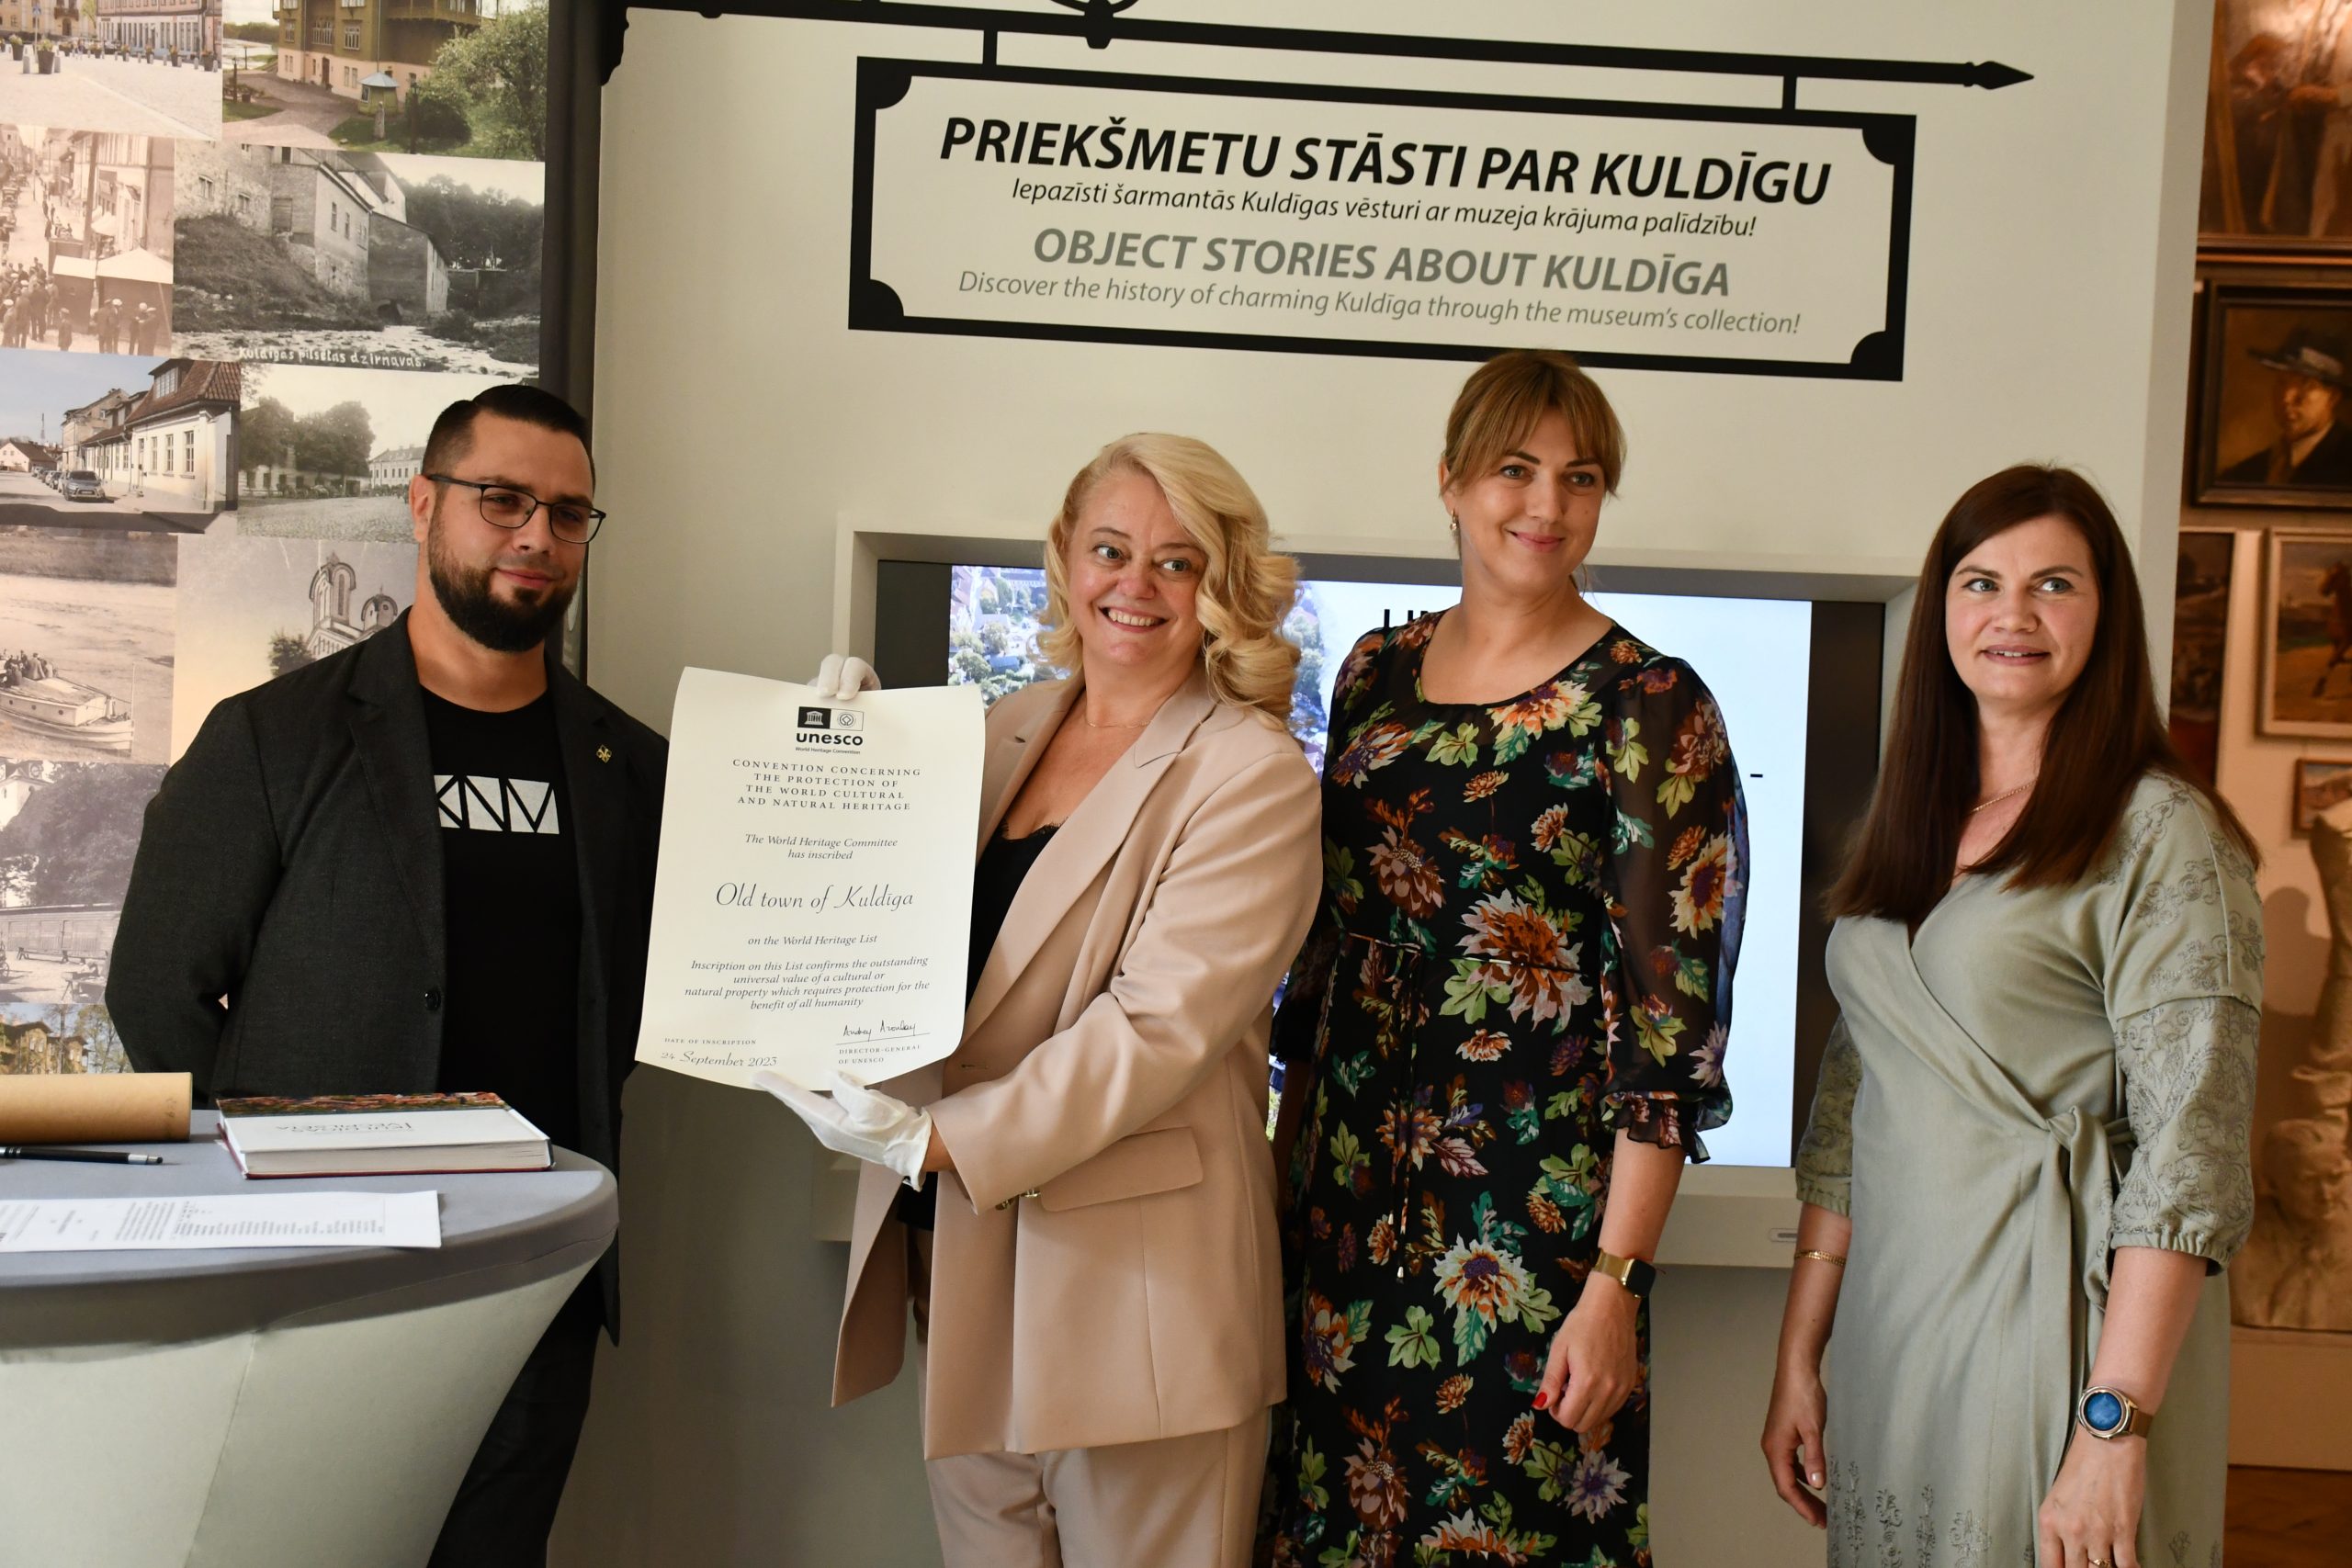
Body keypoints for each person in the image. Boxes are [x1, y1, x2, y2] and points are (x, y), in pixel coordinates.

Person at [107, 384, 663, 1568]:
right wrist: (261, 1195)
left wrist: (849, 766)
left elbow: (679, 992)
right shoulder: (273, 738)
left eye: (568, 514)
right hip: (318, 1280)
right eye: (501, 499)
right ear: (422, 504)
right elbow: (155, 990)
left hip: (534, 1281)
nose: (536, 536)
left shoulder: (633, 767)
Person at [775, 433, 1322, 1568]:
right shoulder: (999, 729)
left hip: (1138, 1301)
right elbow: (889, 926)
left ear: (1219, 584)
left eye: (1177, 561)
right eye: (1110, 550)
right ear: (1065, 557)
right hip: (962, 1269)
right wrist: (842, 763)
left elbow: (1156, 1031)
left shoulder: (1251, 772)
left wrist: (936, 1141)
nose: (1135, 585)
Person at [1258, 349, 1748, 1566]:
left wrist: (1617, 1282)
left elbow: (1669, 1032)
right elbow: (1323, 959)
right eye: (1514, 470)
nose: (1546, 504)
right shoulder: (1372, 672)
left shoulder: (1650, 702)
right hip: (1343, 1203)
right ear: (1451, 480)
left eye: (1580, 478)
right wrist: (1277, 1194)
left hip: (1530, 1230)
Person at [1761, 466, 2262, 1566]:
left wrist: (2113, 1427)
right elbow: (1848, 1114)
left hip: (2060, 1323)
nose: (2013, 615)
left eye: (2054, 585)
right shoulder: (1911, 820)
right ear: (1942, 609)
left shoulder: (2162, 833)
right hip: (1897, 1321)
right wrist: (1801, 1350)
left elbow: (2191, 1152)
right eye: (1981, 582)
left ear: (2107, 615)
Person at [2218, 328, 2352, 487]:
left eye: (2306, 385)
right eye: (2282, 381)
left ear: (2333, 397)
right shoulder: (2244, 473)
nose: (2286, 398)